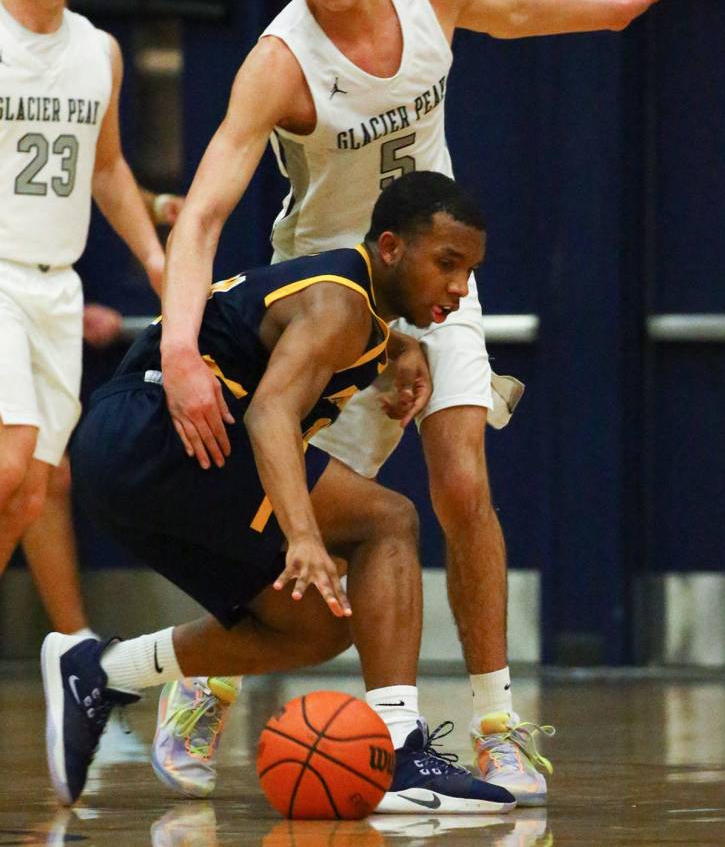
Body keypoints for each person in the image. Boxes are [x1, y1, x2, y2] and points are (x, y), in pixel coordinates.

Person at [153, 0, 673, 805]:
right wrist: (180, 345)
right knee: (291, 511)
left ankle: (498, 728)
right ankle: (208, 674)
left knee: (463, 482)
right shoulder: (279, 63)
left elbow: (511, 11)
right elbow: (203, 214)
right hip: (328, 301)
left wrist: (612, 8)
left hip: (434, 279)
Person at [42, 172, 515, 817]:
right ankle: (400, 752)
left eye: (470, 271)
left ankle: (101, 673)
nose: (460, 287)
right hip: (157, 431)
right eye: (447, 264)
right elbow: (270, 415)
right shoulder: (340, 303)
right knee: (387, 521)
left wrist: (396, 348)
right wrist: (302, 536)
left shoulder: (352, 309)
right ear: (389, 248)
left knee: (316, 628)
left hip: (127, 460)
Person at [0, 0, 166, 620]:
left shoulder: (99, 51)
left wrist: (155, 258)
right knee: (4, 459)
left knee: (29, 493)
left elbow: (106, 168)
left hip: (57, 290)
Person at [22, 192, 184, 639]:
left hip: (21, 298)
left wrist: (156, 213)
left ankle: (73, 647)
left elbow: (94, 171)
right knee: (16, 470)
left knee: (42, 473)